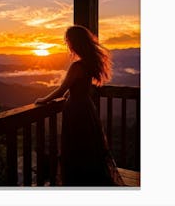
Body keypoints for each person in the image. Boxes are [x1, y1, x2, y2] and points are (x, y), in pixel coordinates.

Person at [35, 25, 124, 186]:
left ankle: (77, 182)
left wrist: (43, 100)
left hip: (76, 111)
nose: (67, 44)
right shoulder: (89, 63)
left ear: (74, 43)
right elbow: (77, 87)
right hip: (86, 108)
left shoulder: (77, 66)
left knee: (75, 148)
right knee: (88, 147)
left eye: (68, 41)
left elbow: (62, 89)